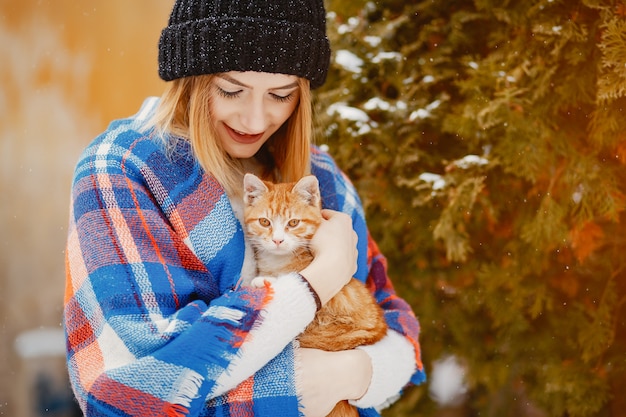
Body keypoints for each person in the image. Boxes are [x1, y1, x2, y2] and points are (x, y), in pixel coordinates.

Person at [63, 0, 426, 416]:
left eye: (281, 95)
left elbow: (400, 337)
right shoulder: (125, 166)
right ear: (191, 79)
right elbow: (127, 393)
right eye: (231, 90)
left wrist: (354, 373)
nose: (255, 120)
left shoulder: (320, 176)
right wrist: (319, 282)